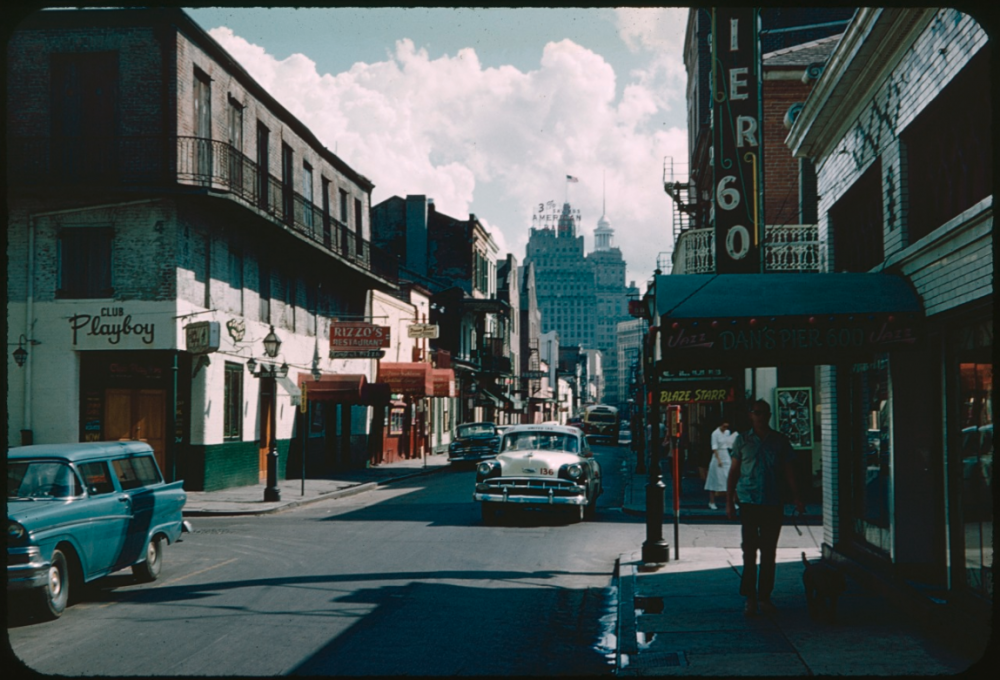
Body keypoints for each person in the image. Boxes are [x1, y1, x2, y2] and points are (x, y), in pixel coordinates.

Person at [726, 399, 805, 617]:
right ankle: (750, 597)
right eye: (756, 412)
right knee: (749, 551)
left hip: (773, 500)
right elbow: (734, 471)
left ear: (769, 415)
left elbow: (789, 470)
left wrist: (797, 497)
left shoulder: (779, 441)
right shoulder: (742, 440)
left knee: (769, 551)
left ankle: (764, 597)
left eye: (764, 413)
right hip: (749, 500)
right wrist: (729, 501)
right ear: (751, 415)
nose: (760, 416)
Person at [705, 420, 733, 509]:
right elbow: (714, 447)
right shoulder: (715, 433)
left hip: (726, 455)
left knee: (729, 478)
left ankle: (731, 501)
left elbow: (729, 444)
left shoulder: (727, 432)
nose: (725, 429)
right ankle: (712, 501)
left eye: (726, 427)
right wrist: (719, 460)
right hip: (718, 456)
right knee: (714, 479)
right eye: (724, 427)